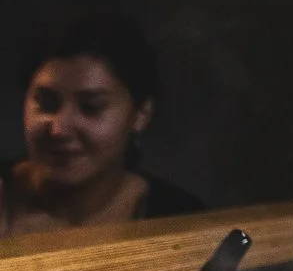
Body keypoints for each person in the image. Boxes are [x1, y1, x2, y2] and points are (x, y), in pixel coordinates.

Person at [4, 14, 205, 239]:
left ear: (140, 114)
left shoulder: (181, 220)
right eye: (46, 104)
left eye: (91, 107)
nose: (59, 129)